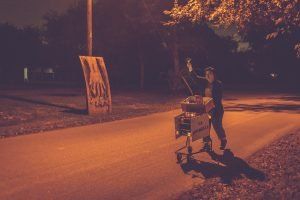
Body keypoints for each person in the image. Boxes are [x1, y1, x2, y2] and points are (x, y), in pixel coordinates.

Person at [183, 59, 227, 150]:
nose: (207, 75)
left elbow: (217, 99)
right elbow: (194, 77)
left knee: (217, 125)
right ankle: (206, 144)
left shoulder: (218, 84)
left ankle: (223, 139)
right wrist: (190, 67)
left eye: (210, 74)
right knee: (204, 126)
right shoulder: (204, 82)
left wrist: (211, 105)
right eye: (206, 74)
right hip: (206, 108)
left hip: (216, 109)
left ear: (214, 75)